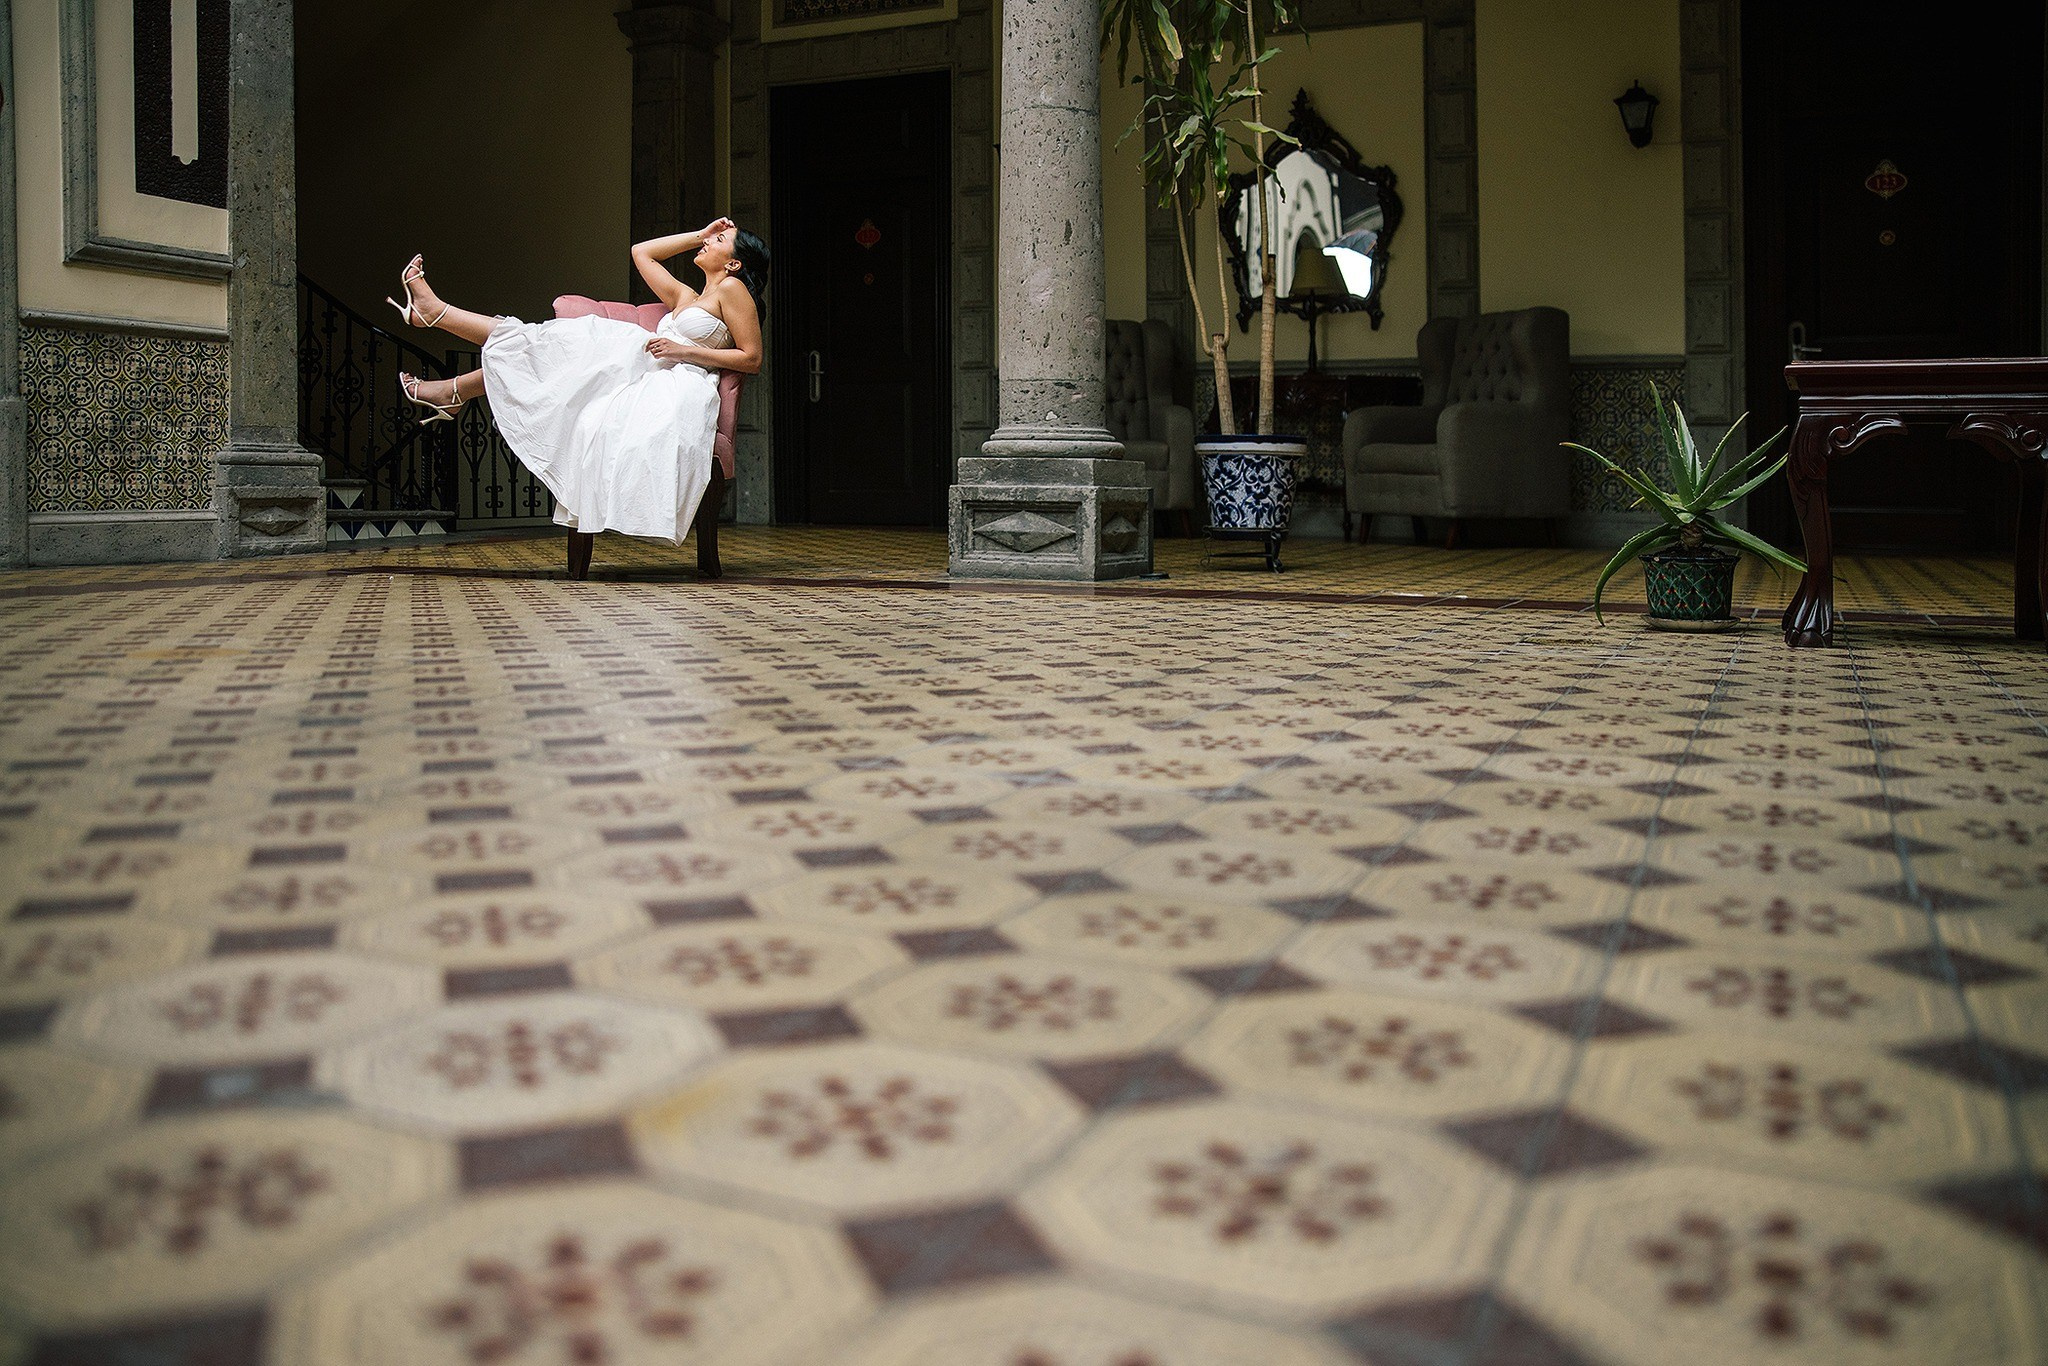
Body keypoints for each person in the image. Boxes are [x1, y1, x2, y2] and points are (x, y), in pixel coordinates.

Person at [387, 218, 768, 578]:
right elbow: (641, 252)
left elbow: (751, 358)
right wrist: (699, 232)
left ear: (734, 263)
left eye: (717, 241)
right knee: (544, 350)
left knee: (547, 351)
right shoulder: (685, 295)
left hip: (677, 382)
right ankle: (445, 356)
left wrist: (683, 352)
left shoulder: (733, 291)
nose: (705, 242)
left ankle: (445, 355)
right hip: (643, 366)